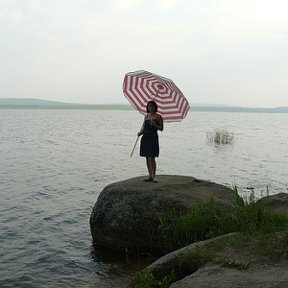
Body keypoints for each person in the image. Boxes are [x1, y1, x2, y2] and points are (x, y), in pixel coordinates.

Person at [137, 101, 163, 183]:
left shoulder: (158, 116)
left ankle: (154, 176)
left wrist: (155, 124)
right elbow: (144, 127)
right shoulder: (146, 116)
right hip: (145, 137)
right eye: (149, 106)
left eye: (152, 106)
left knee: (152, 157)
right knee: (147, 157)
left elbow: (161, 128)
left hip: (153, 137)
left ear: (155, 107)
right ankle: (150, 175)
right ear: (147, 108)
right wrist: (140, 133)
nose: (151, 108)